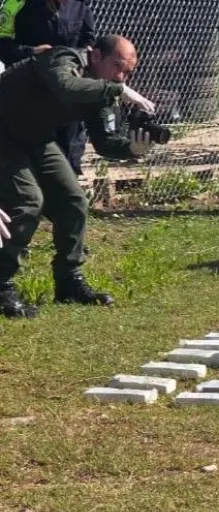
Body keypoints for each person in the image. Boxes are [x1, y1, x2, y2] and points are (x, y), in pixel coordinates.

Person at [0, 35, 158, 319]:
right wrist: (118, 89)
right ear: (95, 55)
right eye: (117, 67)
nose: (121, 76)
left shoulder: (101, 90)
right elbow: (66, 85)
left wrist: (134, 148)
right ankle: (1, 285)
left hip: (37, 139)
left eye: (127, 73)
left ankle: (69, 280)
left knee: (72, 199)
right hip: (3, 134)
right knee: (27, 202)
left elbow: (105, 141)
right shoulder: (62, 58)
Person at [0, 0, 97, 176]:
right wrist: (32, 52)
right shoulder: (15, 3)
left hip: (66, 96)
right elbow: (2, 46)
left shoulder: (81, 7)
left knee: (68, 160)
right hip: (29, 95)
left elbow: (88, 45)